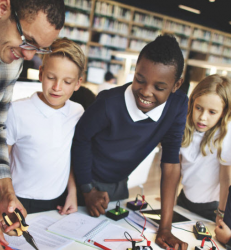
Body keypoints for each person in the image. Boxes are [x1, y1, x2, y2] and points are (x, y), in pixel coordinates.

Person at [72, 35, 188, 249]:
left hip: (119, 184)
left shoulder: (178, 106)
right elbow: (80, 139)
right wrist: (87, 189)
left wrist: (165, 229)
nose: (145, 92)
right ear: (134, 70)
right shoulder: (108, 102)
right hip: (83, 180)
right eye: (140, 79)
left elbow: (170, 162)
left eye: (159, 87)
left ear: (176, 85)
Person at [0, 0, 64, 248]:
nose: (28, 56)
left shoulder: (10, 58)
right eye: (27, 40)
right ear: (2, 8)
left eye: (39, 49)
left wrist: (6, 191)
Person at [0, 38, 85, 216]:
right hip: (19, 198)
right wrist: (1, 208)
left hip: (59, 199)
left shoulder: (77, 112)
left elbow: (70, 156)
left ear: (78, 83)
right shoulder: (16, 111)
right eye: (51, 77)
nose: (57, 87)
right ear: (41, 73)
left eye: (67, 81)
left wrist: (72, 193)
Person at [178, 75, 231, 223]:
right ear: (192, 103)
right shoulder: (183, 127)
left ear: (223, 113)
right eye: (198, 108)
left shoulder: (226, 135)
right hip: (183, 199)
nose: (202, 117)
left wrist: (222, 213)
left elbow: (226, 178)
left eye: (212, 112)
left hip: (211, 208)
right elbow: (176, 167)